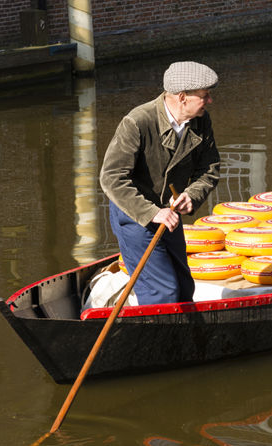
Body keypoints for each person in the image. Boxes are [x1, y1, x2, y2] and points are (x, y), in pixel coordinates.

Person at [100, 61, 220, 304]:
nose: (210, 101)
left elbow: (209, 168)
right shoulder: (137, 122)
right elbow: (111, 178)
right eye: (205, 96)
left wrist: (191, 195)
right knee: (162, 293)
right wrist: (152, 212)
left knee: (184, 287)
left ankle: (186, 339)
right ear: (183, 97)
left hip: (171, 213)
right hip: (136, 216)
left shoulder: (200, 121)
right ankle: (158, 340)